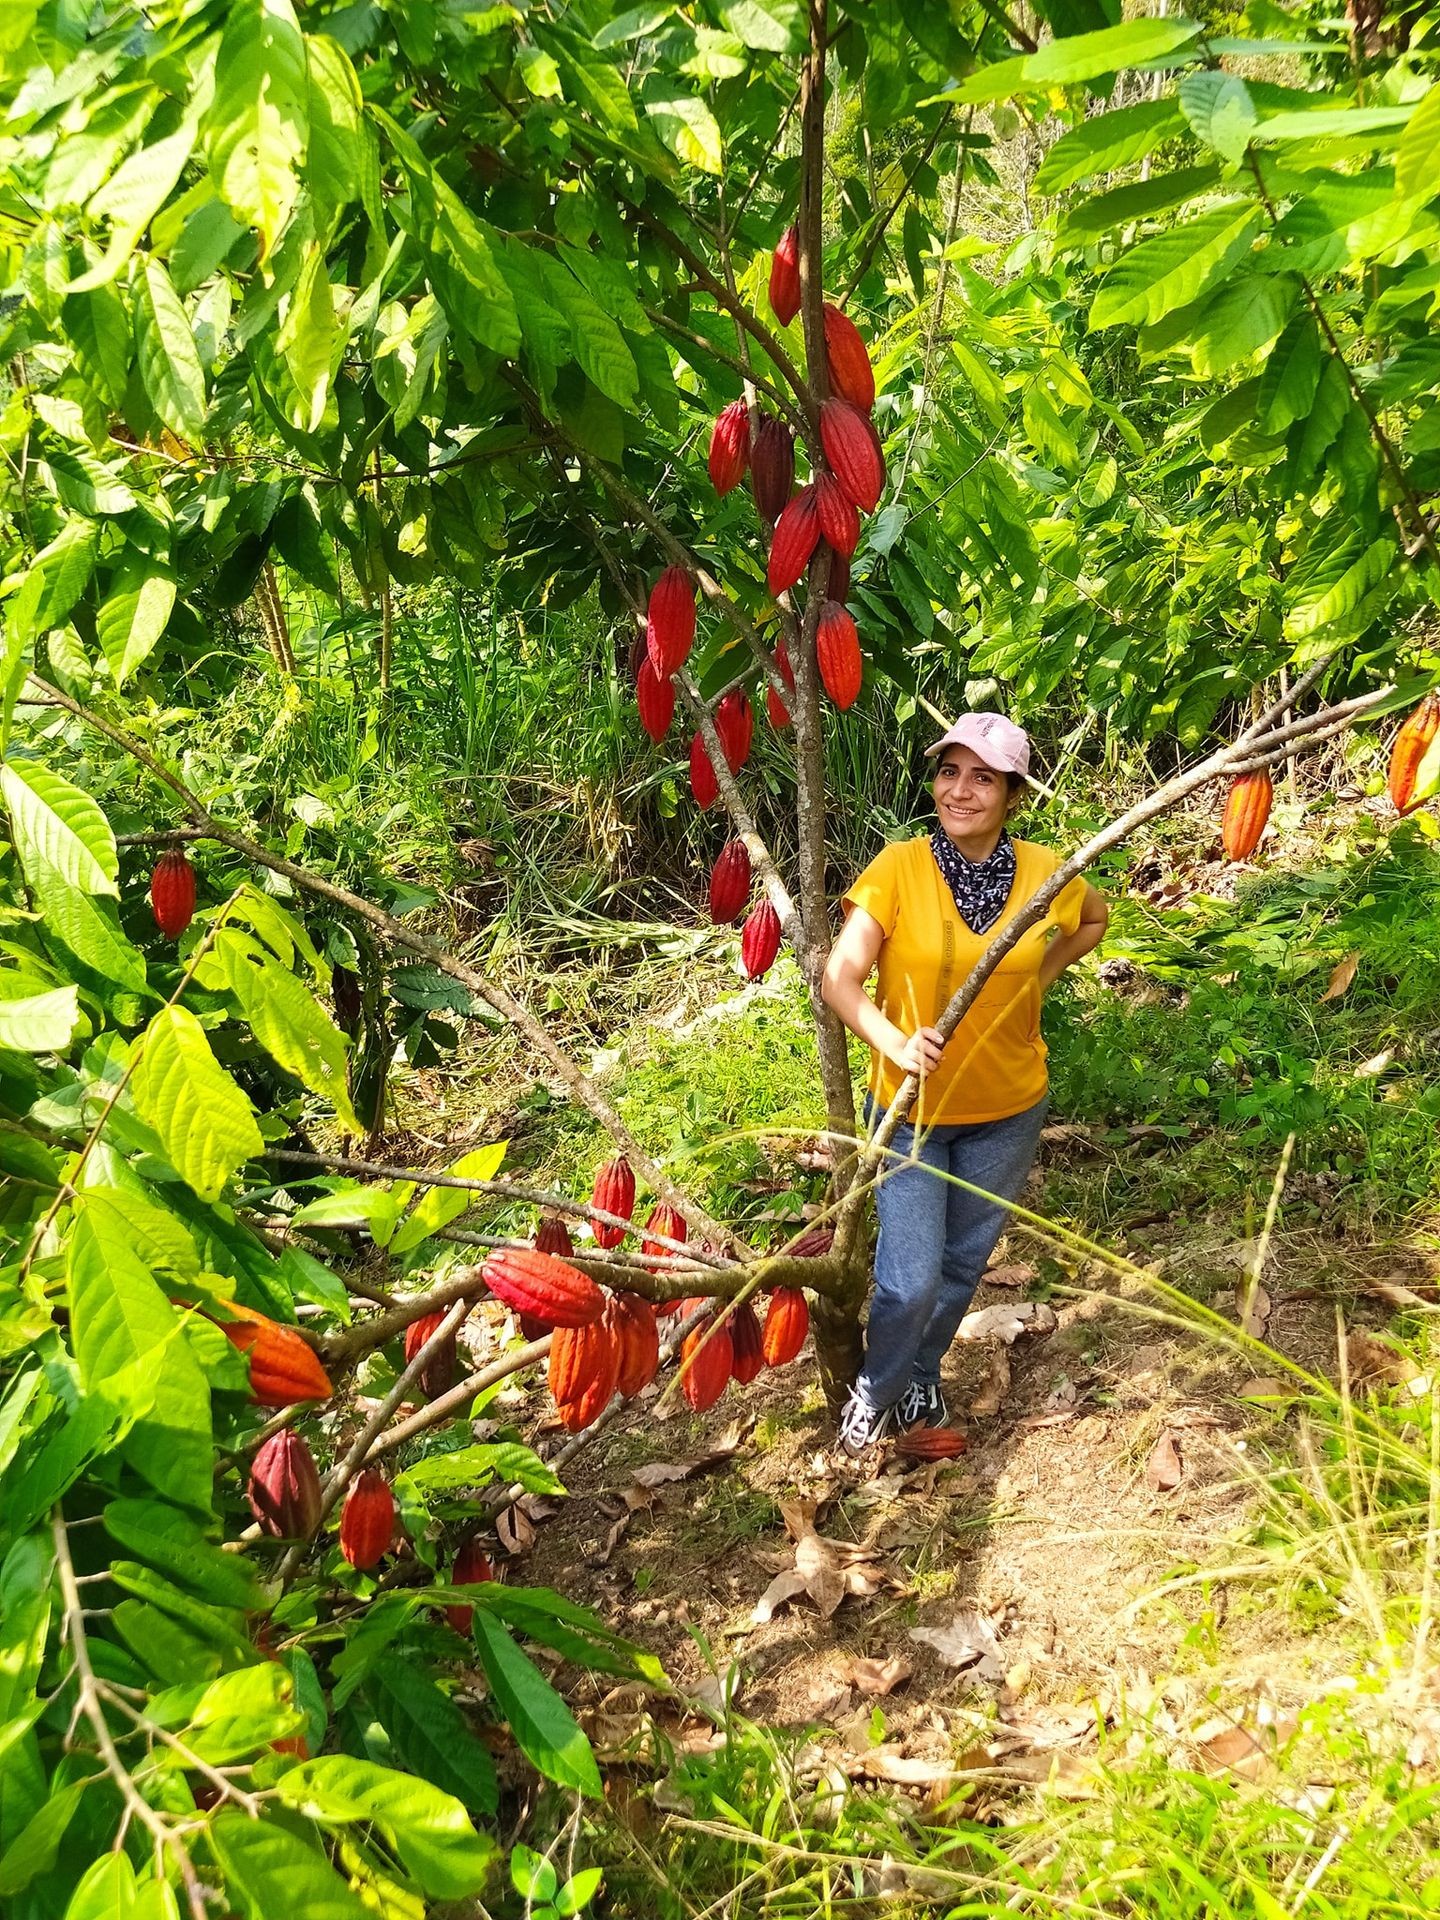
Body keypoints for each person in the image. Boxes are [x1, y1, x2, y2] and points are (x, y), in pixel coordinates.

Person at [821, 713, 1108, 1457]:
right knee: (908, 1280)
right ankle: (876, 1393)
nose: (960, 789)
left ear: (1013, 793)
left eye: (983, 777)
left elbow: (1093, 920)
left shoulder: (1050, 871)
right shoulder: (899, 866)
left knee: (960, 1267)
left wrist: (1037, 982)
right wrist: (893, 1041)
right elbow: (840, 977)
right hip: (911, 1112)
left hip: (1009, 1108)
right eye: (950, 771)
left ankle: (923, 1371)